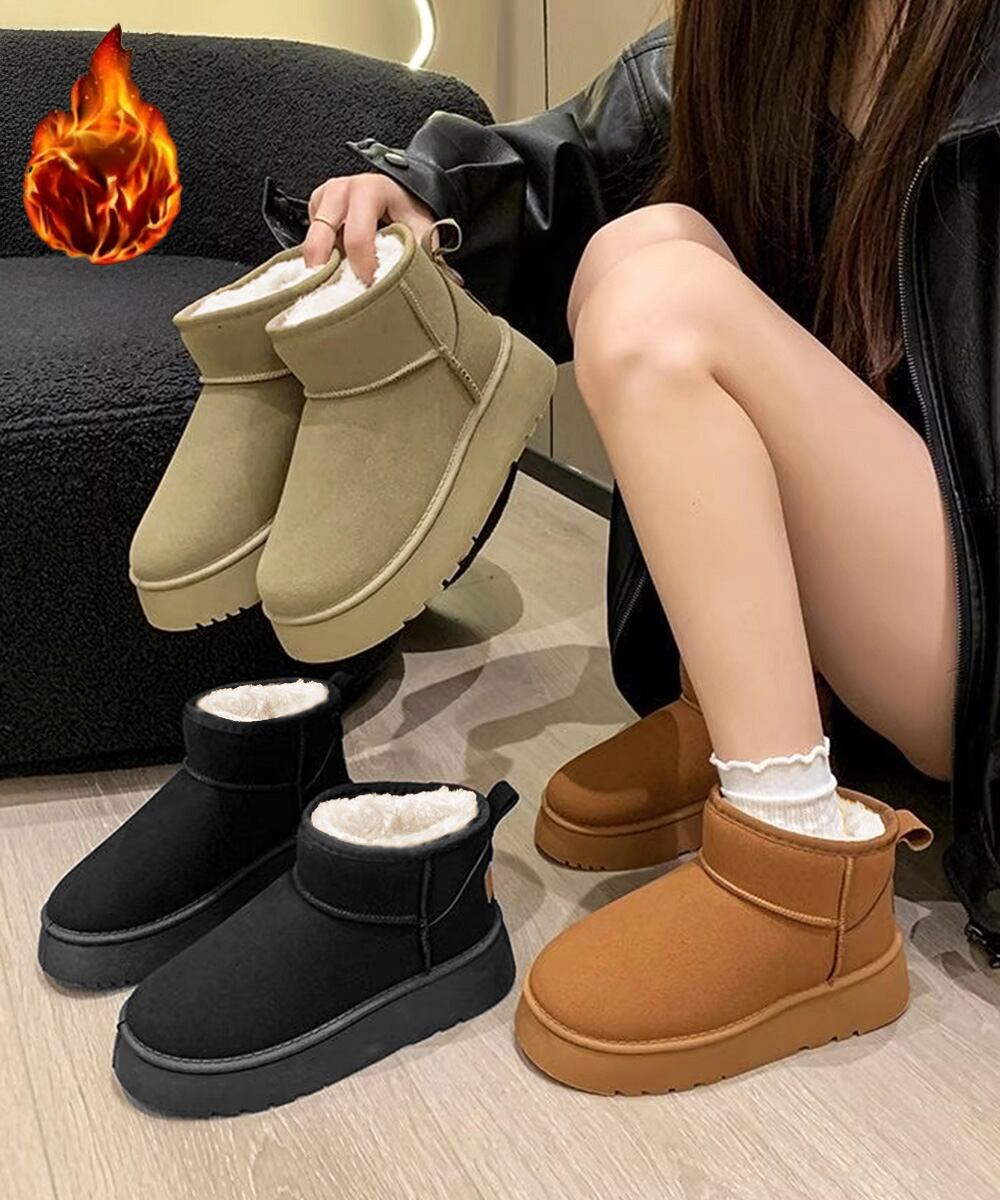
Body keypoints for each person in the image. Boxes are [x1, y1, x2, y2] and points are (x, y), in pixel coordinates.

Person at [265, 1, 1000, 1090]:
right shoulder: (762, 35)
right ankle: (754, 728)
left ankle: (802, 878)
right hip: (906, 601)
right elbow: (571, 167)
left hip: (983, 664)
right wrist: (426, 195)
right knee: (647, 240)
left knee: (663, 305)